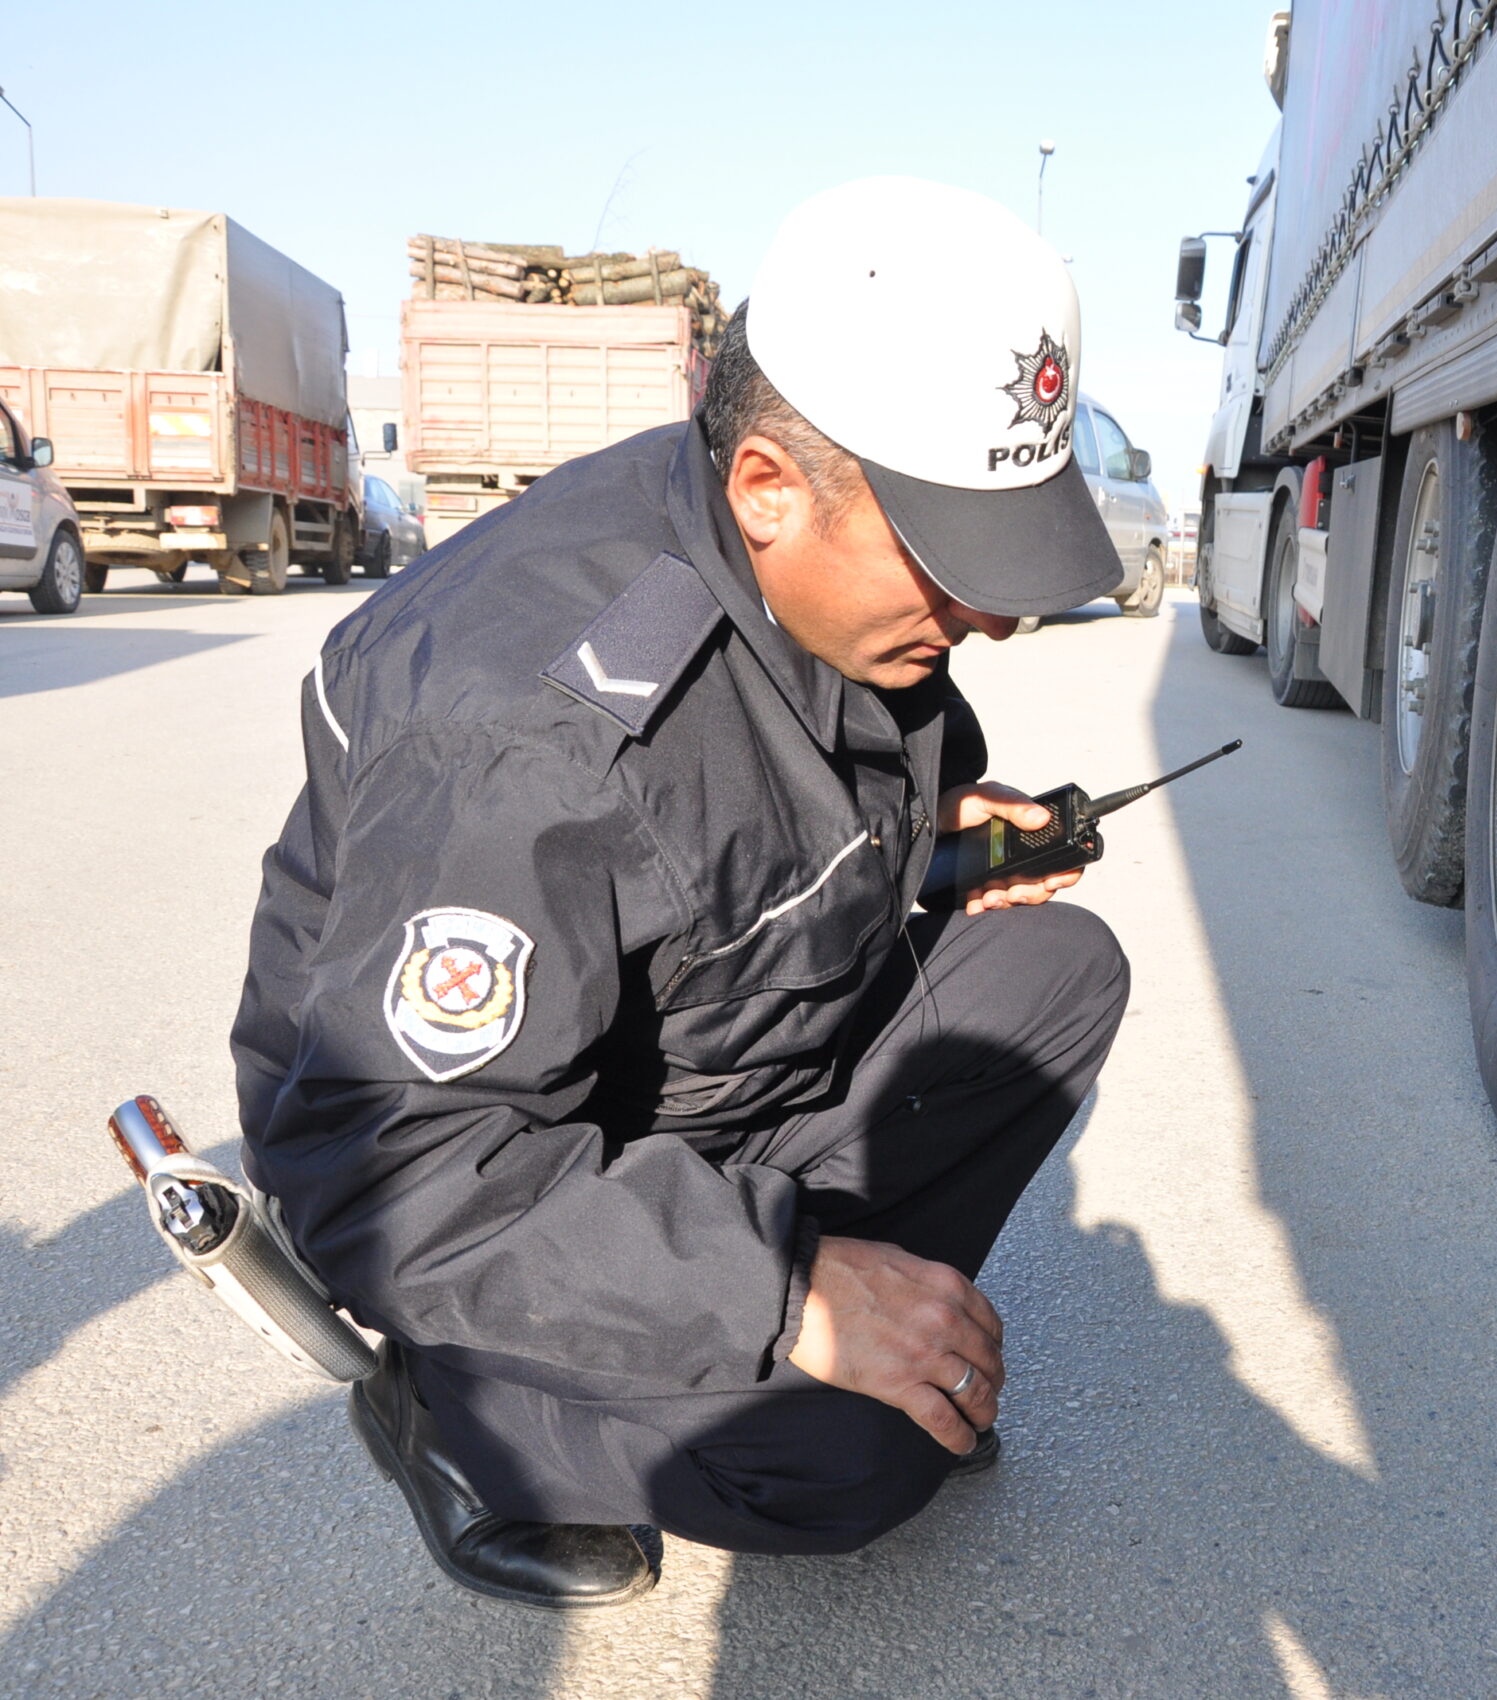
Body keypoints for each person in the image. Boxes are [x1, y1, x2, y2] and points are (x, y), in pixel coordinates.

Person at [229, 179, 1132, 1608]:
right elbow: (395, 1177)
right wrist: (786, 1296)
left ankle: (847, 1329)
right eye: (958, 566)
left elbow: (779, 818)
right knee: (841, 1468)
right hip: (490, 1165)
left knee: (1058, 974)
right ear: (769, 486)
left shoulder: (811, 567)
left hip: (700, 1069)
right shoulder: (537, 740)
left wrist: (946, 834)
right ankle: (469, 1421)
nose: (998, 618)